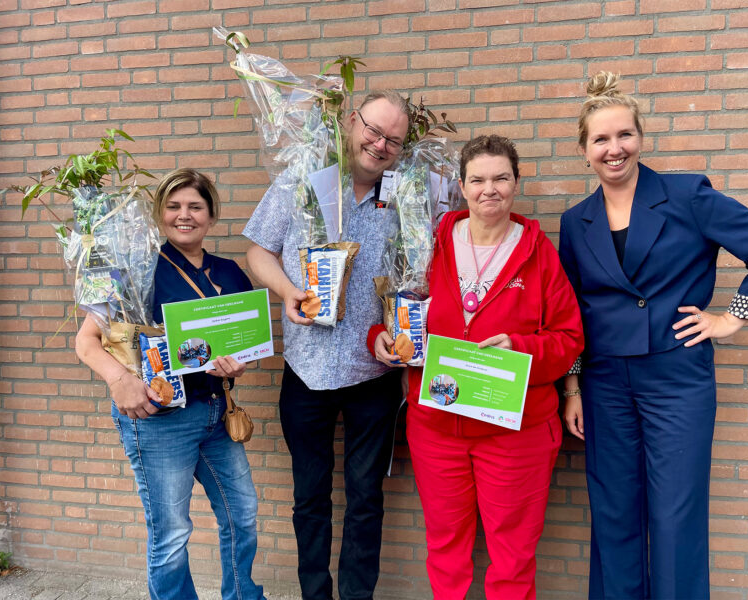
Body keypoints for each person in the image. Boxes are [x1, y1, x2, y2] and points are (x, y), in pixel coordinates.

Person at [556, 72, 748, 599]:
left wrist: (730, 319)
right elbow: (568, 313)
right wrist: (572, 388)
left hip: (677, 378)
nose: (614, 149)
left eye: (624, 135)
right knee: (614, 514)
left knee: (675, 517)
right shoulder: (576, 222)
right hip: (604, 383)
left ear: (640, 137)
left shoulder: (688, 195)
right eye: (600, 139)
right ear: (584, 150)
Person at [368, 134, 583, 599]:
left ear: (517, 182)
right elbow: (389, 309)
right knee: (445, 547)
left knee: (513, 553)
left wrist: (521, 349)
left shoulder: (538, 252)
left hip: (515, 433)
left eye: (501, 178)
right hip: (437, 429)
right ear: (462, 186)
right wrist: (379, 339)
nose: (490, 189)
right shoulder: (429, 243)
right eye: (478, 179)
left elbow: (569, 339)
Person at [242, 90, 411, 600]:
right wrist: (289, 290)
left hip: (372, 375)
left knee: (366, 498)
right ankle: (314, 594)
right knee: (309, 497)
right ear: (351, 122)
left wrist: (399, 325)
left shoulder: (406, 197)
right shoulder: (301, 182)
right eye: (373, 130)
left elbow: (412, 277)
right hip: (306, 370)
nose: (379, 145)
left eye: (393, 141)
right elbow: (258, 250)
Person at [74, 168, 264, 600]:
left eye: (195, 206)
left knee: (243, 514)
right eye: (174, 206)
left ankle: (243, 595)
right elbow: (86, 343)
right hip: (159, 422)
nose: (185, 215)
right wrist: (120, 379)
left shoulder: (229, 273)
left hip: (216, 413)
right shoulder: (134, 268)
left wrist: (236, 367)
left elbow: (241, 349)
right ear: (159, 214)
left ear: (211, 216)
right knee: (172, 533)